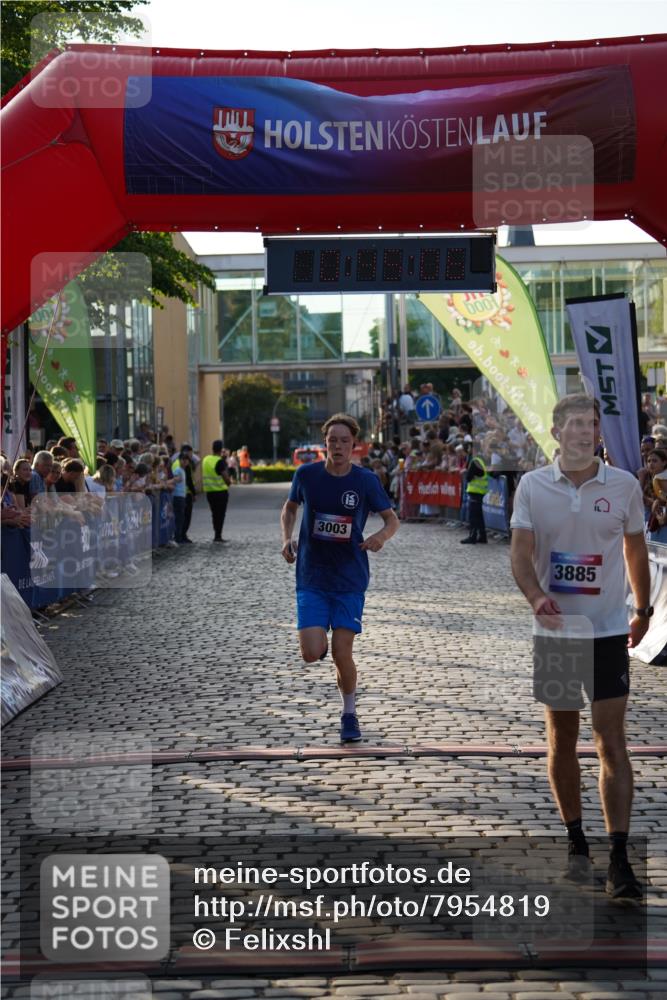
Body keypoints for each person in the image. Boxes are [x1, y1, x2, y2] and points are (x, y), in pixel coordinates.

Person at [510, 393, 651, 901]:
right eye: (573, 424)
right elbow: (520, 555)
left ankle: (620, 858)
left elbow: (635, 548)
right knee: (562, 739)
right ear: (556, 432)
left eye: (590, 424)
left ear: (597, 432)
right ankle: (576, 843)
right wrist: (536, 597)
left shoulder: (624, 485)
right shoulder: (533, 486)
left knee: (611, 740)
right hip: (558, 631)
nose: (583, 432)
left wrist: (643, 610)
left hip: (608, 629)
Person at [280, 413, 399, 742]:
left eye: (345, 441)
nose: (338, 446)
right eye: (333, 440)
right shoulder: (306, 475)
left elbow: (392, 520)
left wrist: (380, 537)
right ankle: (318, 641)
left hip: (349, 578)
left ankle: (349, 714)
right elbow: (290, 508)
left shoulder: (365, 481)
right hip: (312, 576)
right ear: (325, 443)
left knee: (341, 653)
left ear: (354, 445)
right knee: (310, 653)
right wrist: (286, 538)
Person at [202, 439, 231, 542]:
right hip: (220, 492)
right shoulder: (219, 461)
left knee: (214, 514)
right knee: (220, 514)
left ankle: (216, 534)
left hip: (209, 492)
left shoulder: (206, 459)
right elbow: (226, 479)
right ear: (221, 449)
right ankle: (218, 535)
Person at [460, 454, 489, 544]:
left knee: (473, 516)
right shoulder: (483, 461)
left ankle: (472, 537)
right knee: (479, 516)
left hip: (475, 491)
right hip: (481, 492)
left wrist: (467, 472)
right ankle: (483, 536)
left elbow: (468, 477)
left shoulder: (475, 461)